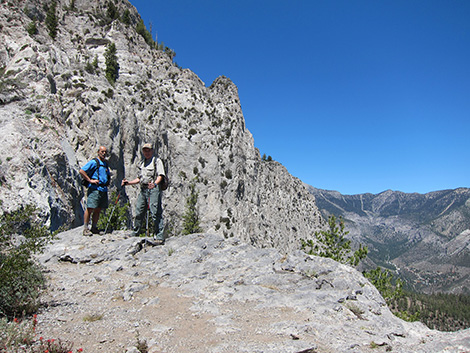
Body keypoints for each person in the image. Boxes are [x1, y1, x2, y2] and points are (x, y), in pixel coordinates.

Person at [122, 143, 166, 244]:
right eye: (145, 150)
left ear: (152, 151)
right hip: (143, 189)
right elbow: (139, 178)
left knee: (155, 212)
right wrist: (128, 183)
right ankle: (136, 231)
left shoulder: (157, 161)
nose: (147, 152)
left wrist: (154, 184)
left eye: (148, 150)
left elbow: (160, 175)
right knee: (139, 211)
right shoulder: (142, 163)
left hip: (153, 190)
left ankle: (159, 235)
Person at [79, 146, 110, 236]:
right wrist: (90, 180)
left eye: (105, 152)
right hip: (95, 189)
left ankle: (94, 227)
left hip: (103, 189)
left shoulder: (105, 163)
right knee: (90, 208)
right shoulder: (94, 162)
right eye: (102, 151)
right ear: (98, 152)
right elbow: (82, 171)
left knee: (98, 209)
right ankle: (85, 228)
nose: (104, 153)